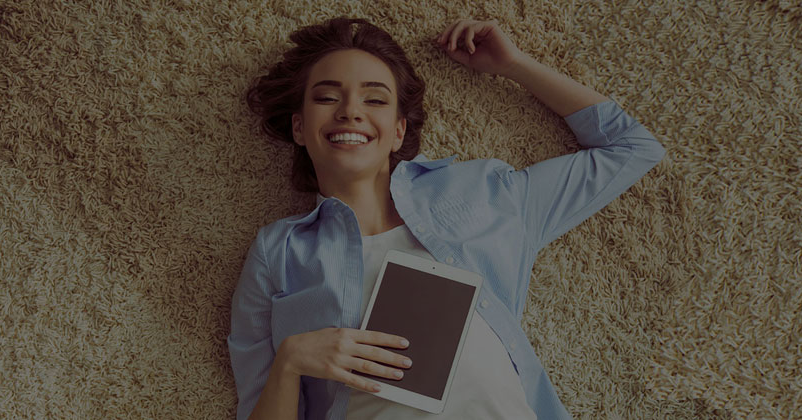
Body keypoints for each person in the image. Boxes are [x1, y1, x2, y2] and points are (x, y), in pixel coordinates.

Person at [231, 17, 664, 420]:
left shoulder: (486, 193)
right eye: (326, 97)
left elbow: (630, 148)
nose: (350, 111)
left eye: (375, 98)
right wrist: (290, 362)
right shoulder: (278, 252)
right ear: (299, 129)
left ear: (398, 130)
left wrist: (515, 66)